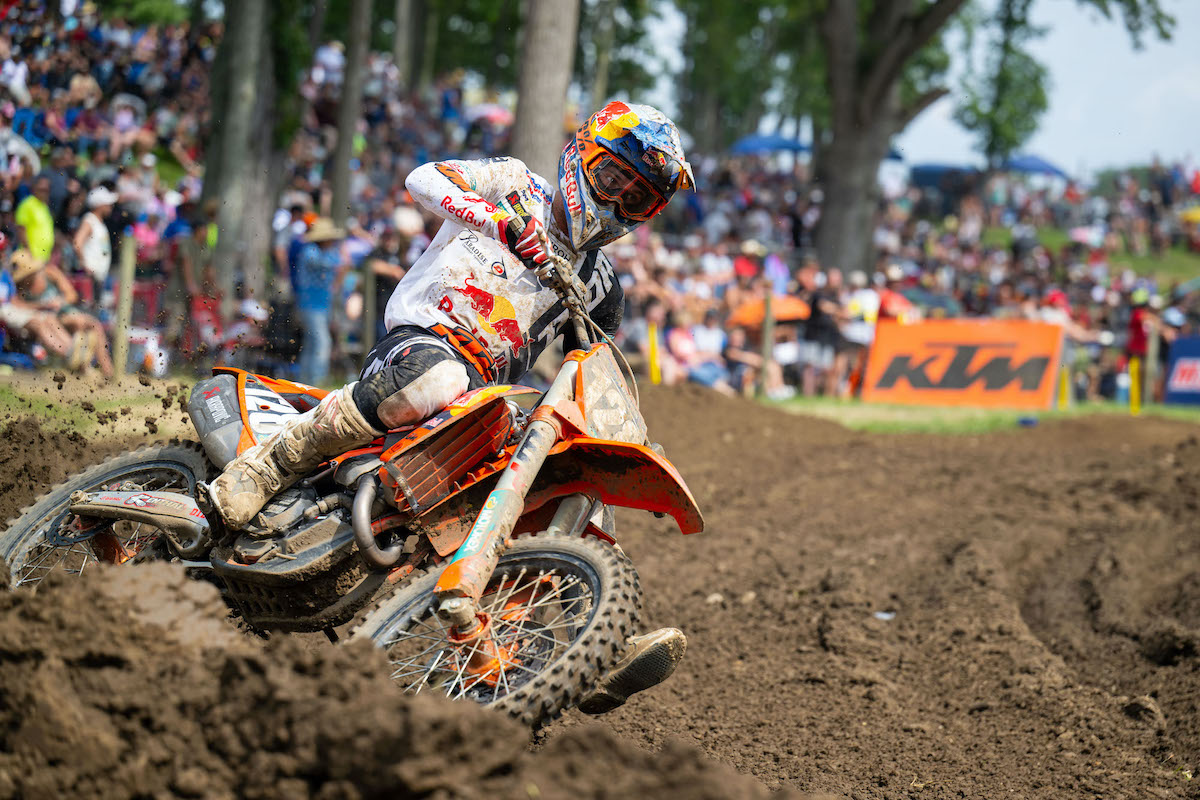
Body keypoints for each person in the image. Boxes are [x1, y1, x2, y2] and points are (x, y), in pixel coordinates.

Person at [210, 101, 695, 713]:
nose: (619, 201)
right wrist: (499, 223)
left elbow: (590, 367)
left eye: (638, 198)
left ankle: (593, 641)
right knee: (438, 378)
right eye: (613, 179)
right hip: (424, 343)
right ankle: (265, 468)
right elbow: (424, 179)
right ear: (582, 157)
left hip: (487, 395)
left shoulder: (602, 287)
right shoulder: (516, 185)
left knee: (577, 474)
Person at [292, 217, 347, 386]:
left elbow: (341, 265)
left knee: (311, 344)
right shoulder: (310, 252)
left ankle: (304, 382)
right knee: (322, 342)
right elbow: (338, 264)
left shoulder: (328, 252)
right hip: (310, 306)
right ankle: (317, 381)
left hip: (323, 305)